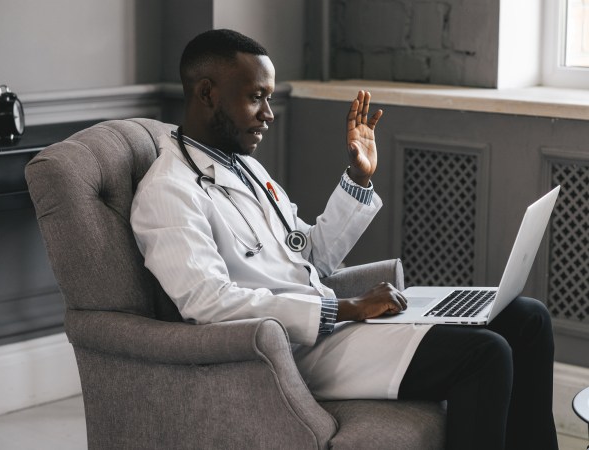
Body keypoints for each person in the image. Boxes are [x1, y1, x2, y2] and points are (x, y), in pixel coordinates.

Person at [130, 29, 558, 450]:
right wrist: (347, 307)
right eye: (256, 97)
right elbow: (208, 303)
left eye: (269, 98)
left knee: (528, 318)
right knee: (484, 355)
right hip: (289, 353)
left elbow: (309, 257)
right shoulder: (169, 191)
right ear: (207, 93)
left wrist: (357, 178)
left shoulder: (244, 167)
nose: (269, 113)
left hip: (331, 328)